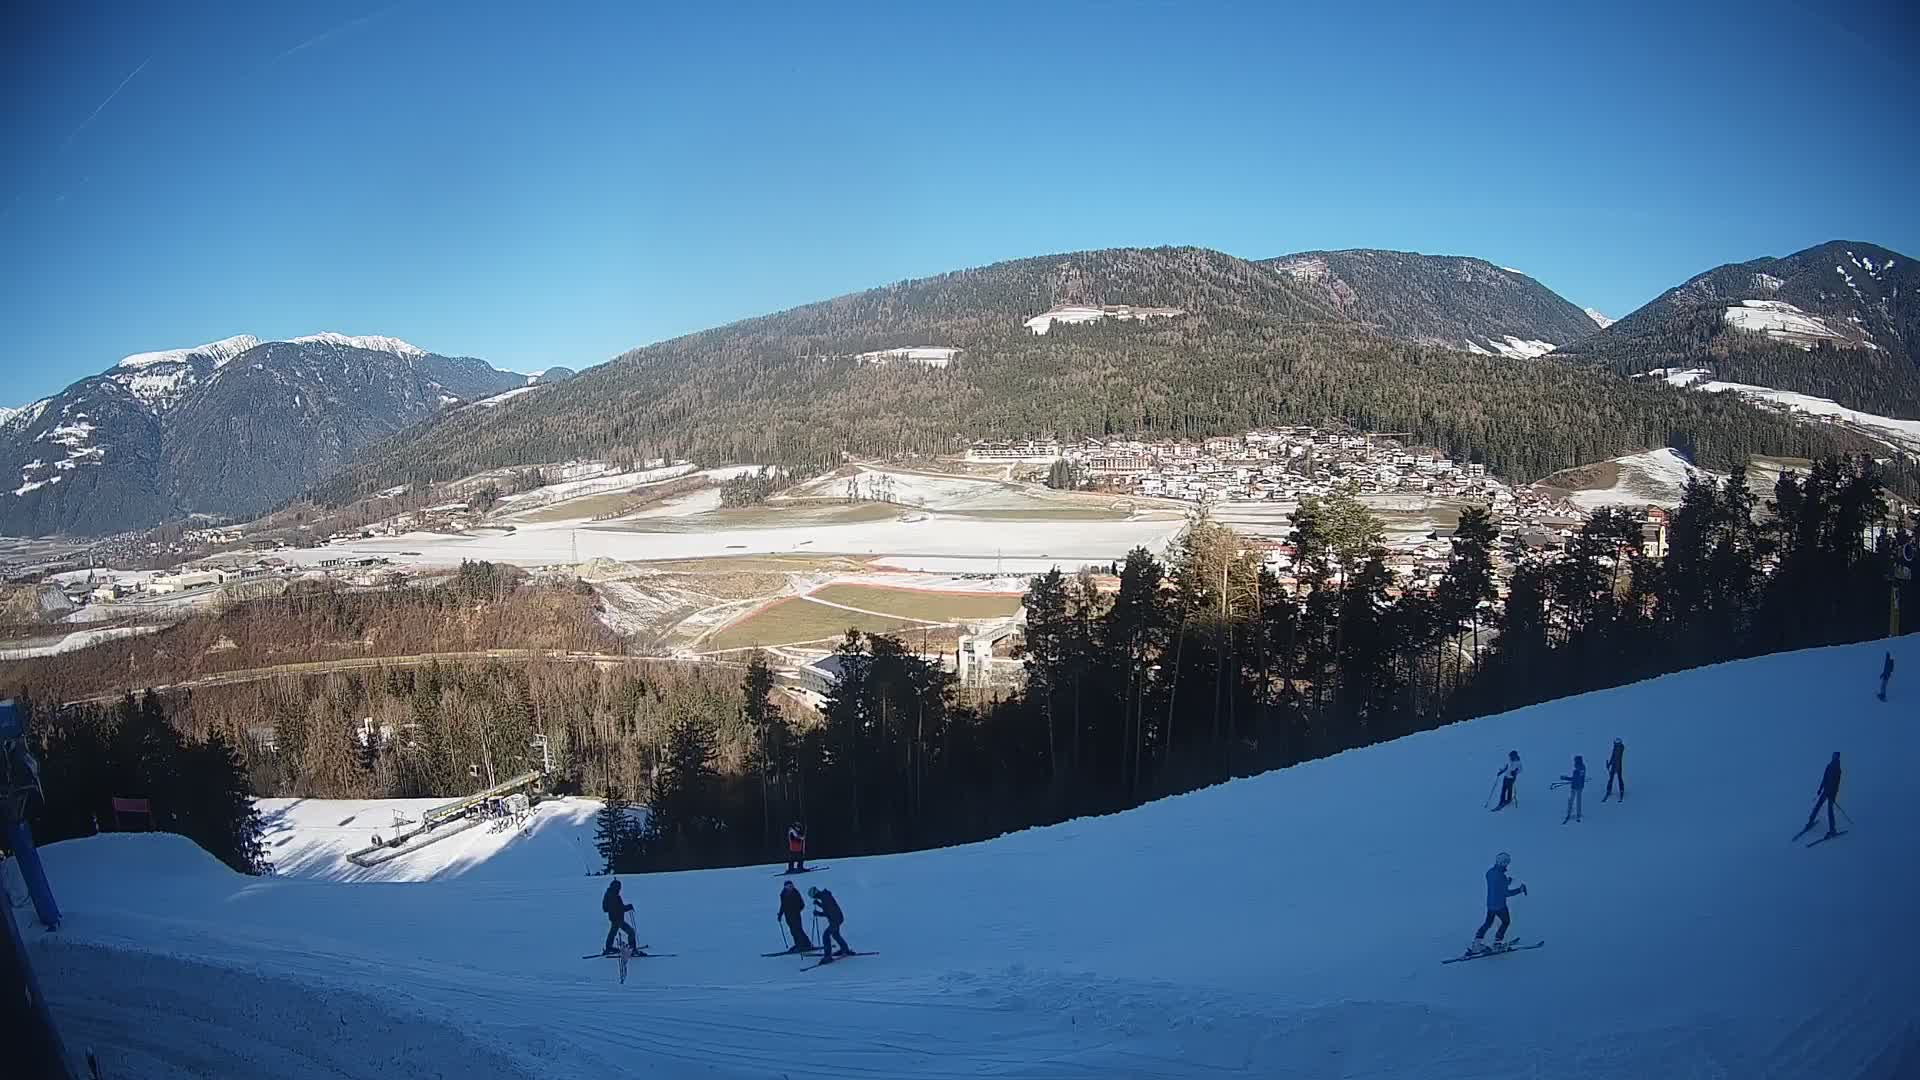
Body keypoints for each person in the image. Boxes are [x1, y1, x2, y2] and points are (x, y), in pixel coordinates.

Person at [1469, 852, 1527, 954]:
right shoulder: (1502, 877)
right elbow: (1506, 893)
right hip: (1500, 905)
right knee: (1506, 922)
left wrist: (1507, 882)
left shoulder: (1489, 872)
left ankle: (1476, 944)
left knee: (1488, 923)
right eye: (1507, 863)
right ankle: (1497, 944)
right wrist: (1520, 890)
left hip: (1490, 904)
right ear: (1504, 863)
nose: (1507, 865)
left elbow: (1495, 885)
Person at [1801, 752, 1843, 839]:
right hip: (1825, 791)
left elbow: (1837, 785)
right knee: (1817, 806)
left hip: (1831, 793)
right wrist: (1820, 789)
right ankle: (1810, 821)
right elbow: (1824, 778)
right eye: (1833, 756)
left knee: (1829, 811)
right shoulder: (1829, 766)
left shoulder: (1838, 769)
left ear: (1838, 758)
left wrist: (1834, 796)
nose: (1834, 757)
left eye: (1835, 756)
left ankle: (1832, 829)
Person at [810, 886, 851, 963]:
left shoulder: (825, 898)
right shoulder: (825, 896)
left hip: (835, 919)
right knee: (835, 934)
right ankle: (845, 949)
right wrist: (819, 904)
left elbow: (828, 912)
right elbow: (827, 908)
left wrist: (818, 913)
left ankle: (828, 956)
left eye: (814, 897)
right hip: (837, 918)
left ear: (815, 895)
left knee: (826, 936)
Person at [602, 878, 639, 956]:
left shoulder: (609, 894)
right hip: (618, 919)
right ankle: (632, 949)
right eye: (619, 887)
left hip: (614, 918)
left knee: (613, 932)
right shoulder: (613, 896)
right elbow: (619, 908)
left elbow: (606, 908)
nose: (620, 889)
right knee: (631, 932)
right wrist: (628, 907)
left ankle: (609, 947)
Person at [777, 880, 813, 952]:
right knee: (793, 931)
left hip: (796, 915)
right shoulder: (783, 894)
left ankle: (806, 944)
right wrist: (780, 915)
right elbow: (783, 905)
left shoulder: (795, 893)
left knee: (798, 930)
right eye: (788, 886)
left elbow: (802, 904)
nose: (790, 887)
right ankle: (798, 944)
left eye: (791, 886)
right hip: (788, 916)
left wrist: (796, 910)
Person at [1560, 754, 1586, 823]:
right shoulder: (1580, 768)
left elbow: (1577, 778)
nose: (1574, 762)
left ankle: (1578, 814)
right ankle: (1569, 813)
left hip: (1578, 787)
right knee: (1572, 800)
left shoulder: (1581, 768)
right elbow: (1576, 778)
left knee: (1576, 800)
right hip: (1575, 786)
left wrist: (1566, 778)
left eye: (1575, 761)